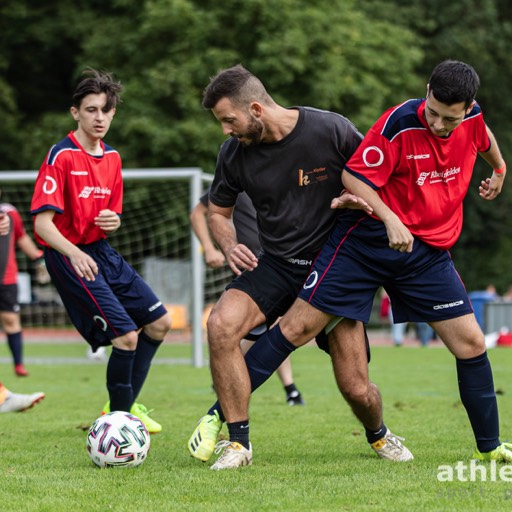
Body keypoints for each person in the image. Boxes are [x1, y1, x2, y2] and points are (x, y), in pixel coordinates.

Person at [243, 60, 512, 463]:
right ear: (427, 91)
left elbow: (483, 137)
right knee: (295, 328)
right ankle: (221, 421)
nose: (439, 124)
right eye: (433, 112)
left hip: (426, 254)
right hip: (366, 243)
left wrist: (500, 169)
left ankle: (490, 449)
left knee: (472, 342)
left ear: (469, 107)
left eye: (449, 119)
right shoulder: (397, 123)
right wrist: (389, 219)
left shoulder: (471, 118)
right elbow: (354, 178)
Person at [188, 64, 413, 470]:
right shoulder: (233, 153)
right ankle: (238, 444)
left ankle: (379, 435)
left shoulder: (330, 130)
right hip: (276, 264)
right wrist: (229, 242)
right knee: (221, 325)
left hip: (336, 268)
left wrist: (360, 201)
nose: (225, 130)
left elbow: (376, 178)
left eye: (228, 120)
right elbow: (216, 212)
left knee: (357, 389)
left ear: (255, 108)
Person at [30, 69, 171, 433]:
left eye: (106, 111)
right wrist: (74, 253)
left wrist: (114, 222)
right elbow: (43, 225)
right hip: (67, 255)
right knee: (125, 336)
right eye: (91, 110)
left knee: (158, 323)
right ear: (75, 112)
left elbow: (113, 215)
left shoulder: (113, 159)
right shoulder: (60, 156)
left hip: (100, 251)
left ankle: (123, 406)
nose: (99, 118)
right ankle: (117, 426)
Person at [190, 186, 305, 406]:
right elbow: (197, 213)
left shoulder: (274, 181)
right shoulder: (235, 179)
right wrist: (210, 248)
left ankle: (228, 373)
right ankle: (288, 389)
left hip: (276, 264)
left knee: (272, 328)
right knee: (273, 326)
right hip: (249, 264)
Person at [0, 193, 51, 377]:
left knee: (11, 320)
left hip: (6, 279)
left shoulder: (9, 214)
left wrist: (39, 258)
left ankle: (18, 365)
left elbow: (21, 237)